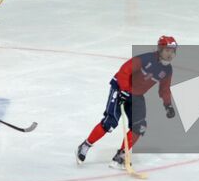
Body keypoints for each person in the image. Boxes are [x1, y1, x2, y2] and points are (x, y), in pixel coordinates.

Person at [76, 36, 177, 169]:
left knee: (140, 126)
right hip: (120, 87)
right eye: (167, 50)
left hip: (136, 95)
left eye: (173, 51)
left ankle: (120, 156)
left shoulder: (167, 70)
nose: (170, 54)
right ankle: (85, 145)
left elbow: (164, 89)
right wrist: (123, 91)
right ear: (160, 49)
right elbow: (124, 71)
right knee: (110, 122)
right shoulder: (145, 59)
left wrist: (167, 105)